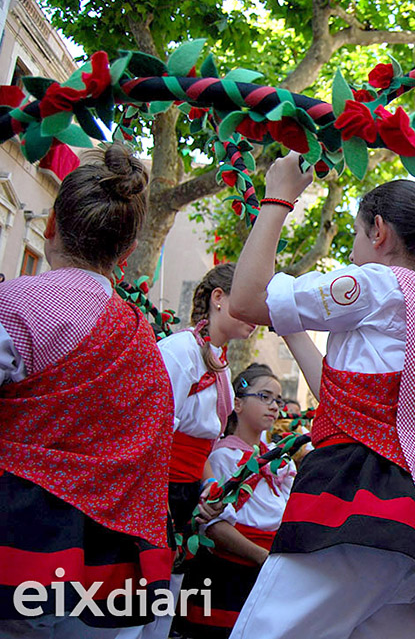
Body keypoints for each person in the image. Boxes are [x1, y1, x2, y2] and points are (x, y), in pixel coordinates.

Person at [226, 153, 415, 639]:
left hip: (357, 501)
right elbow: (342, 399)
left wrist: (278, 196)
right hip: (414, 515)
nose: (353, 251)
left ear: (378, 231)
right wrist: (291, 323)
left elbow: (245, 298)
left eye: (356, 235)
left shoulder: (376, 283)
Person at [0, 144, 174, 636]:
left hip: (17, 542)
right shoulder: (143, 340)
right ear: (124, 254)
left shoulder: (15, 305)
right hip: (104, 566)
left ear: (51, 226)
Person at [120, 263, 258, 639]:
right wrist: (163, 501)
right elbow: (150, 433)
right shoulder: (179, 350)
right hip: (157, 494)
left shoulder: (221, 364)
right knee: (138, 601)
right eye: (249, 302)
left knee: (167, 602)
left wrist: (207, 492)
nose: (258, 316)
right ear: (218, 299)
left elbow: (206, 448)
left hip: (185, 497)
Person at [177, 363, 295, 639]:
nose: (274, 406)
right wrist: (261, 557)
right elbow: (214, 526)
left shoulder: (282, 460)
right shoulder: (223, 457)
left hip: (270, 568)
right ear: (238, 404)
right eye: (264, 397)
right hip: (229, 571)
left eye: (276, 399)